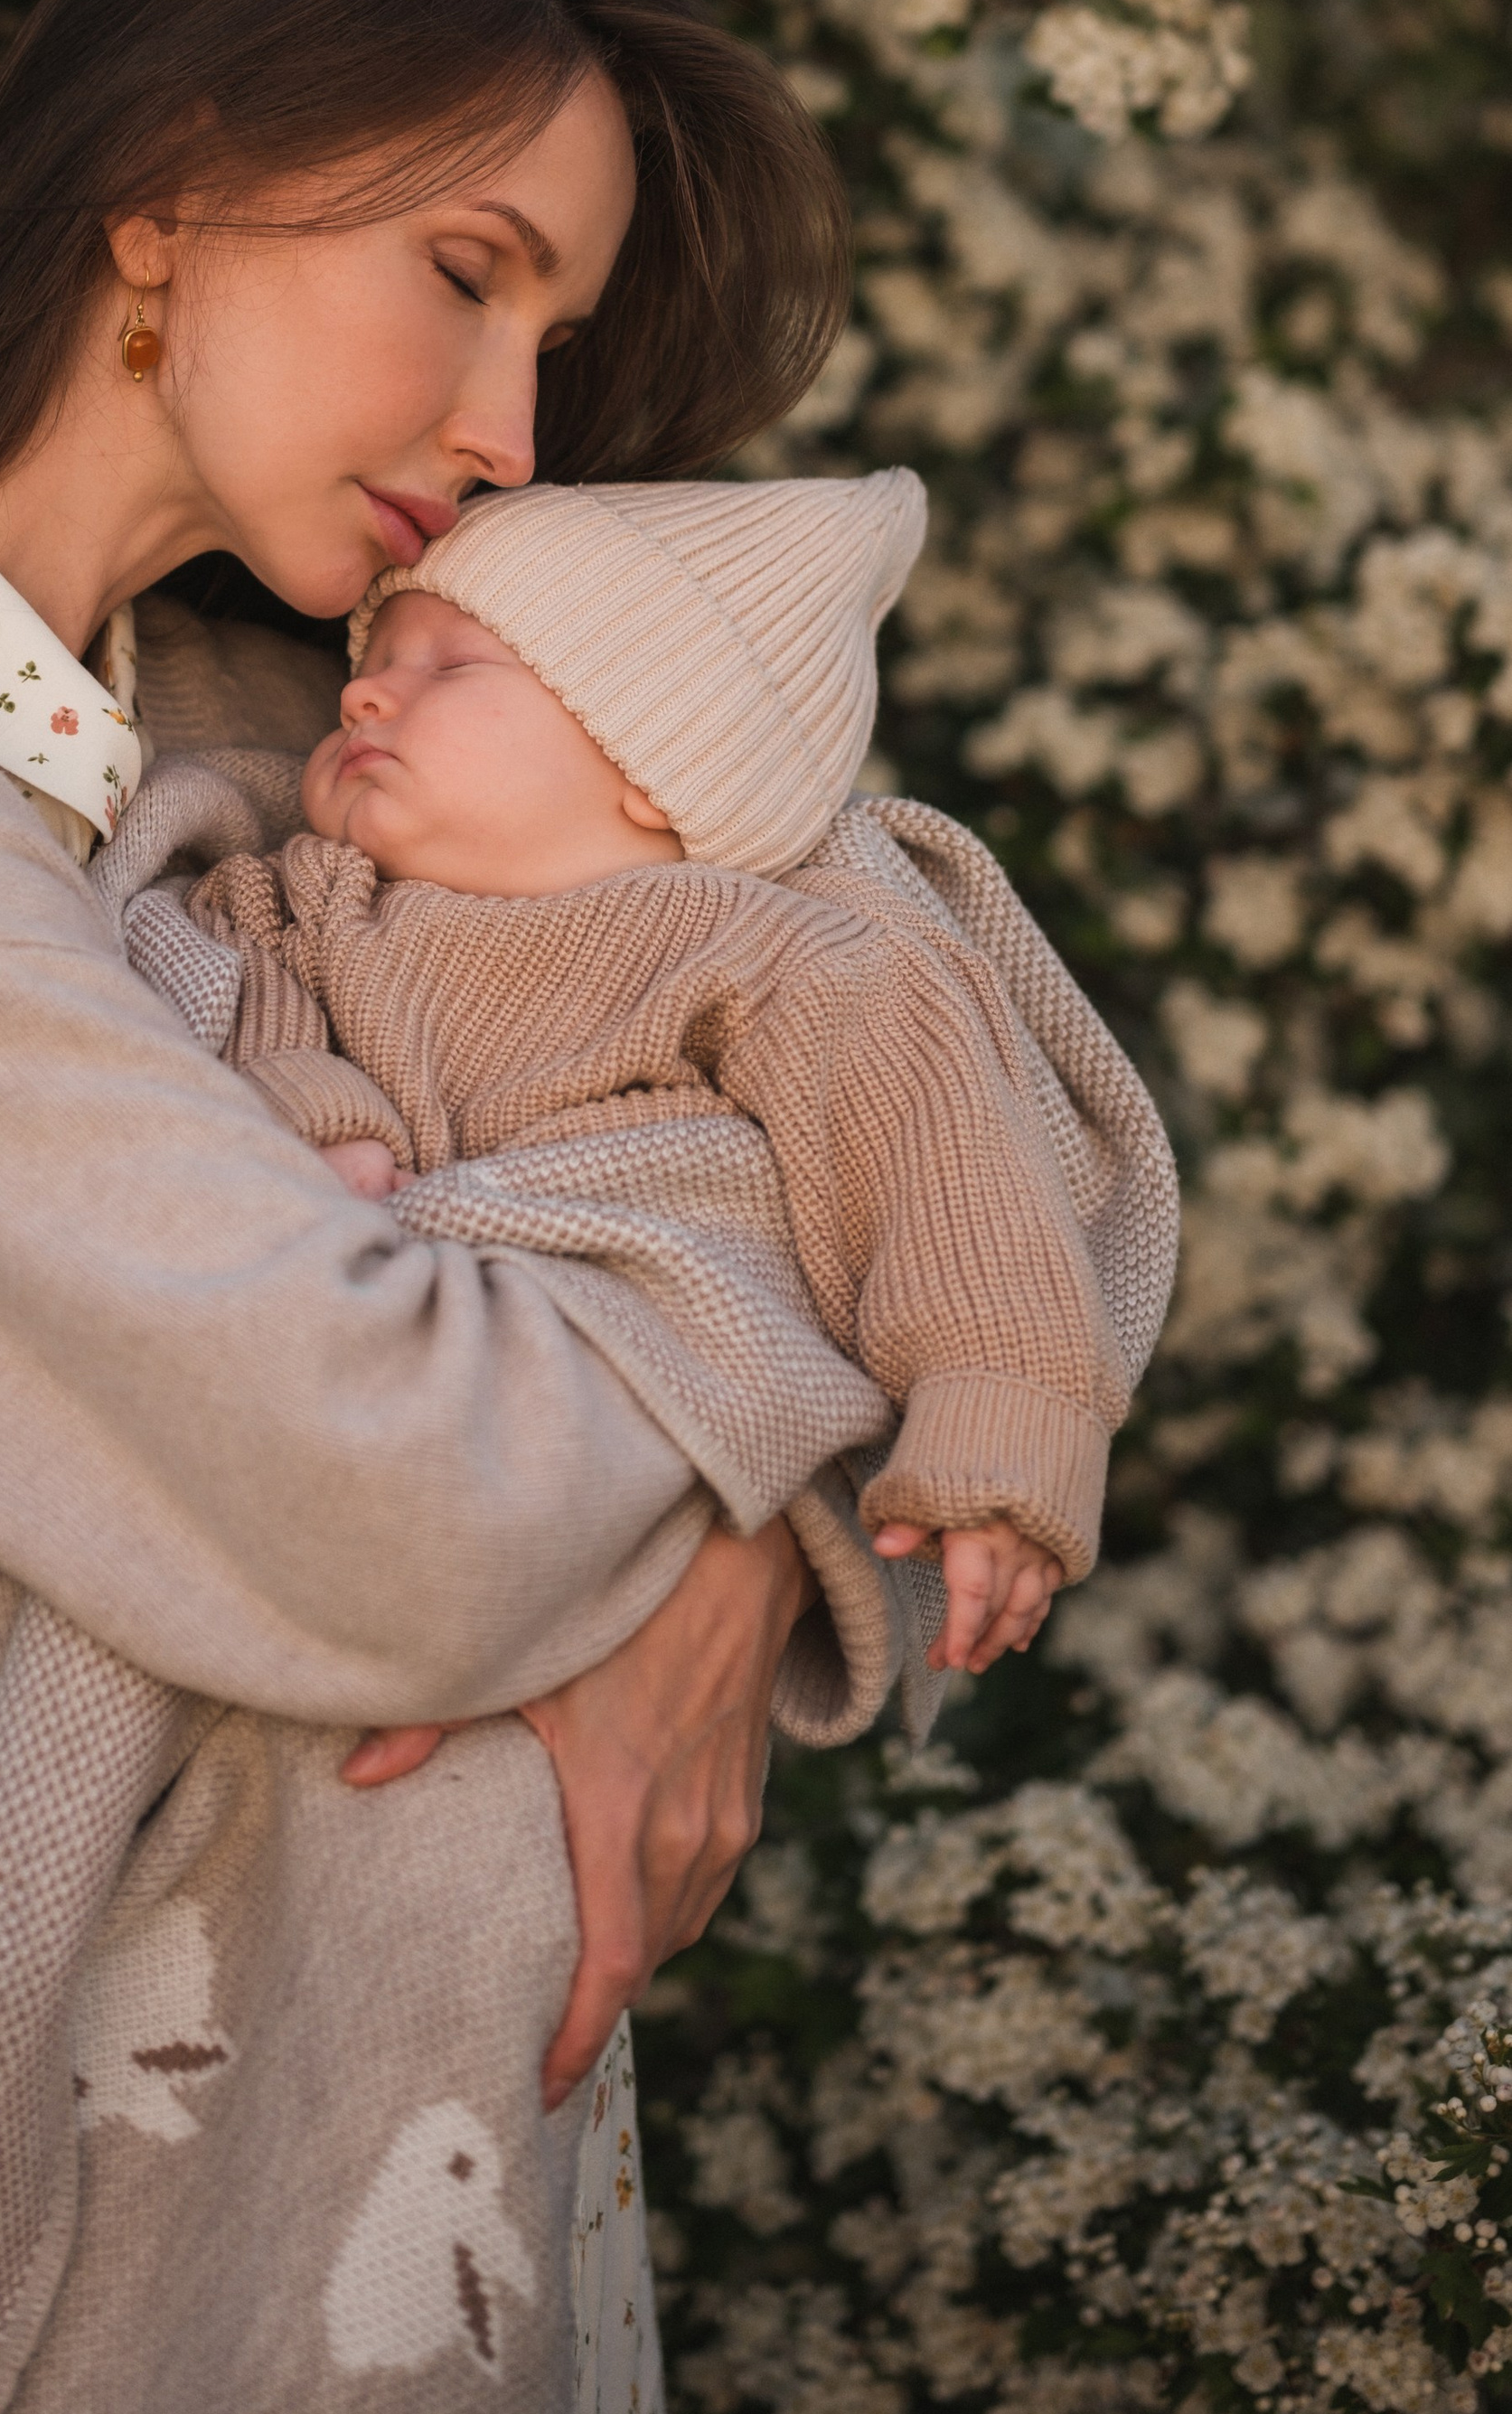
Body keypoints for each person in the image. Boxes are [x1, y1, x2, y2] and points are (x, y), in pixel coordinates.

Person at [0, 0, 1163, 2414]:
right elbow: (407, 1505)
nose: (511, 429)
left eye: (554, 332)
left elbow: (963, 1075)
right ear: (168, 190)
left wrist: (738, 1537)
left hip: (452, 2188)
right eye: (465, 272)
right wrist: (741, 1443)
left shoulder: (271, 721)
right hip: (135, 2262)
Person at [128, 469, 1175, 1697]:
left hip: (599, 1388)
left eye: (449, 668)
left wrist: (1000, 1416)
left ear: (649, 762)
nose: (362, 691)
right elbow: (247, 1002)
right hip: (376, 1374)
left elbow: (939, 1157)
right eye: (375, 662)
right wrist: (326, 1126)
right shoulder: (307, 895)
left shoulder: (756, 941)